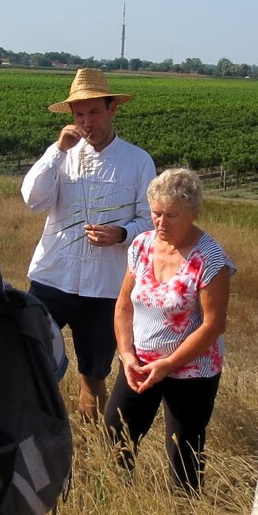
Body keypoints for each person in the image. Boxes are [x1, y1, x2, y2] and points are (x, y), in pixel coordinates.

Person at [21, 69, 156, 422]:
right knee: (29, 362)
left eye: (94, 112)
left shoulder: (138, 161)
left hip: (105, 287)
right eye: (79, 114)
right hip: (53, 277)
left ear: (113, 109)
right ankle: (38, 434)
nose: (86, 122)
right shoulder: (60, 155)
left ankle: (91, 438)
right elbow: (32, 199)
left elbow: (150, 221)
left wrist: (121, 234)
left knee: (93, 375)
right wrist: (56, 151)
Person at [105, 167, 235, 493]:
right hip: (140, 363)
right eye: (156, 213)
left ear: (193, 213)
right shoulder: (141, 245)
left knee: (183, 451)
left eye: (172, 216)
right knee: (116, 430)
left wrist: (168, 364)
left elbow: (214, 325)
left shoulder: (211, 258)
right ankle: (119, 499)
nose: (161, 223)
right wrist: (127, 355)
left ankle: (186, 514)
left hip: (191, 369)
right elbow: (124, 305)